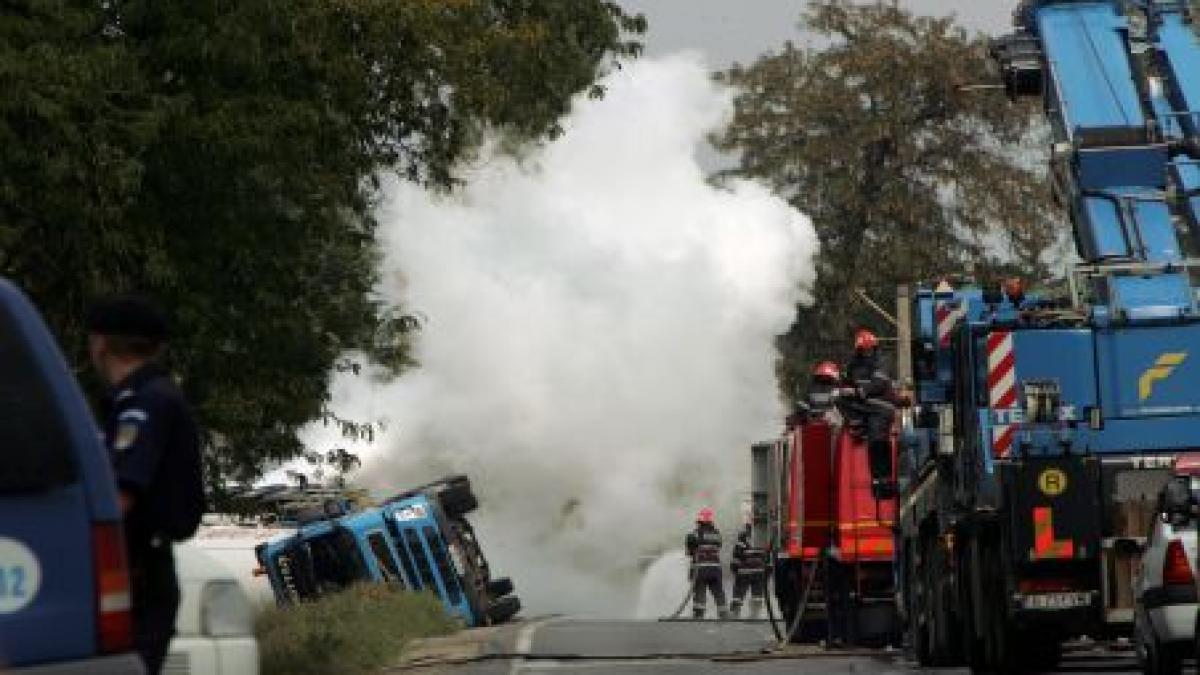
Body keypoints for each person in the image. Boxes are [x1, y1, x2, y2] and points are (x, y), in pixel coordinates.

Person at [87, 294, 205, 674]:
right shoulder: (143, 398)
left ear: (100, 343)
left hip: (139, 573)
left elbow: (119, 497)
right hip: (141, 569)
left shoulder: (146, 404)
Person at [841, 329, 898, 499]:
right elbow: (845, 382)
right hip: (864, 407)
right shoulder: (853, 364)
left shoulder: (882, 362)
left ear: (874, 348)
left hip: (881, 407)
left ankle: (884, 479)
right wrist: (842, 390)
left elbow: (879, 384)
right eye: (863, 350)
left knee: (877, 440)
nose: (866, 353)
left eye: (869, 349)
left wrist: (859, 391)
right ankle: (857, 424)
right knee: (839, 399)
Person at [685, 507, 728, 620]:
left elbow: (689, 552)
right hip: (715, 569)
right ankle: (723, 613)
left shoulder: (693, 535)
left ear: (699, 521)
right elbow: (718, 546)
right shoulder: (717, 534)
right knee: (718, 591)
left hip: (701, 569)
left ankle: (699, 614)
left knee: (699, 591)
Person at [729, 525, 767, 618]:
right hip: (759, 572)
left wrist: (734, 570)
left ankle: (735, 613)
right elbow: (767, 558)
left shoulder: (741, 542)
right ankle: (755, 613)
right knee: (757, 594)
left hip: (744, 572)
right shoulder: (762, 540)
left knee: (738, 593)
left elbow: (736, 558)